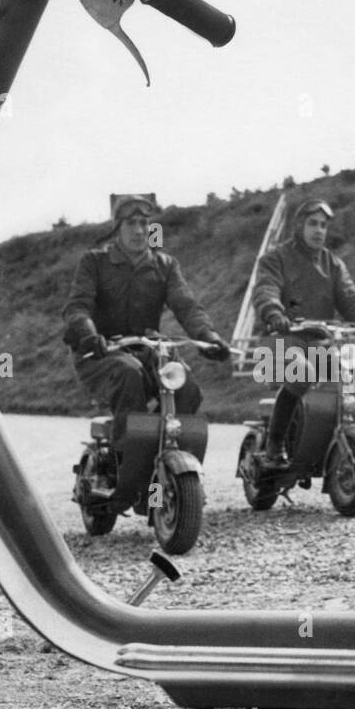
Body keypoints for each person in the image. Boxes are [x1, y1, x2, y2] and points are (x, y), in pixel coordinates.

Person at [61, 195, 229, 512]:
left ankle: (173, 474)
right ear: (117, 228)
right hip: (100, 351)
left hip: (146, 349)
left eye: (145, 224)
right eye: (131, 224)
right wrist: (89, 332)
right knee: (129, 376)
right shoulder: (95, 262)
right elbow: (77, 306)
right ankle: (124, 469)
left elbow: (186, 305)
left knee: (187, 386)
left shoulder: (163, 265)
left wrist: (208, 337)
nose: (139, 231)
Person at [251, 198, 355, 461]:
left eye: (324, 225)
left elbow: (351, 298)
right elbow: (265, 289)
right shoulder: (275, 259)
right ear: (298, 226)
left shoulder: (333, 264)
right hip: (280, 342)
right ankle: (275, 442)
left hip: (320, 344)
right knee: (301, 372)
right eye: (313, 223)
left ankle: (333, 431)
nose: (319, 230)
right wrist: (274, 312)